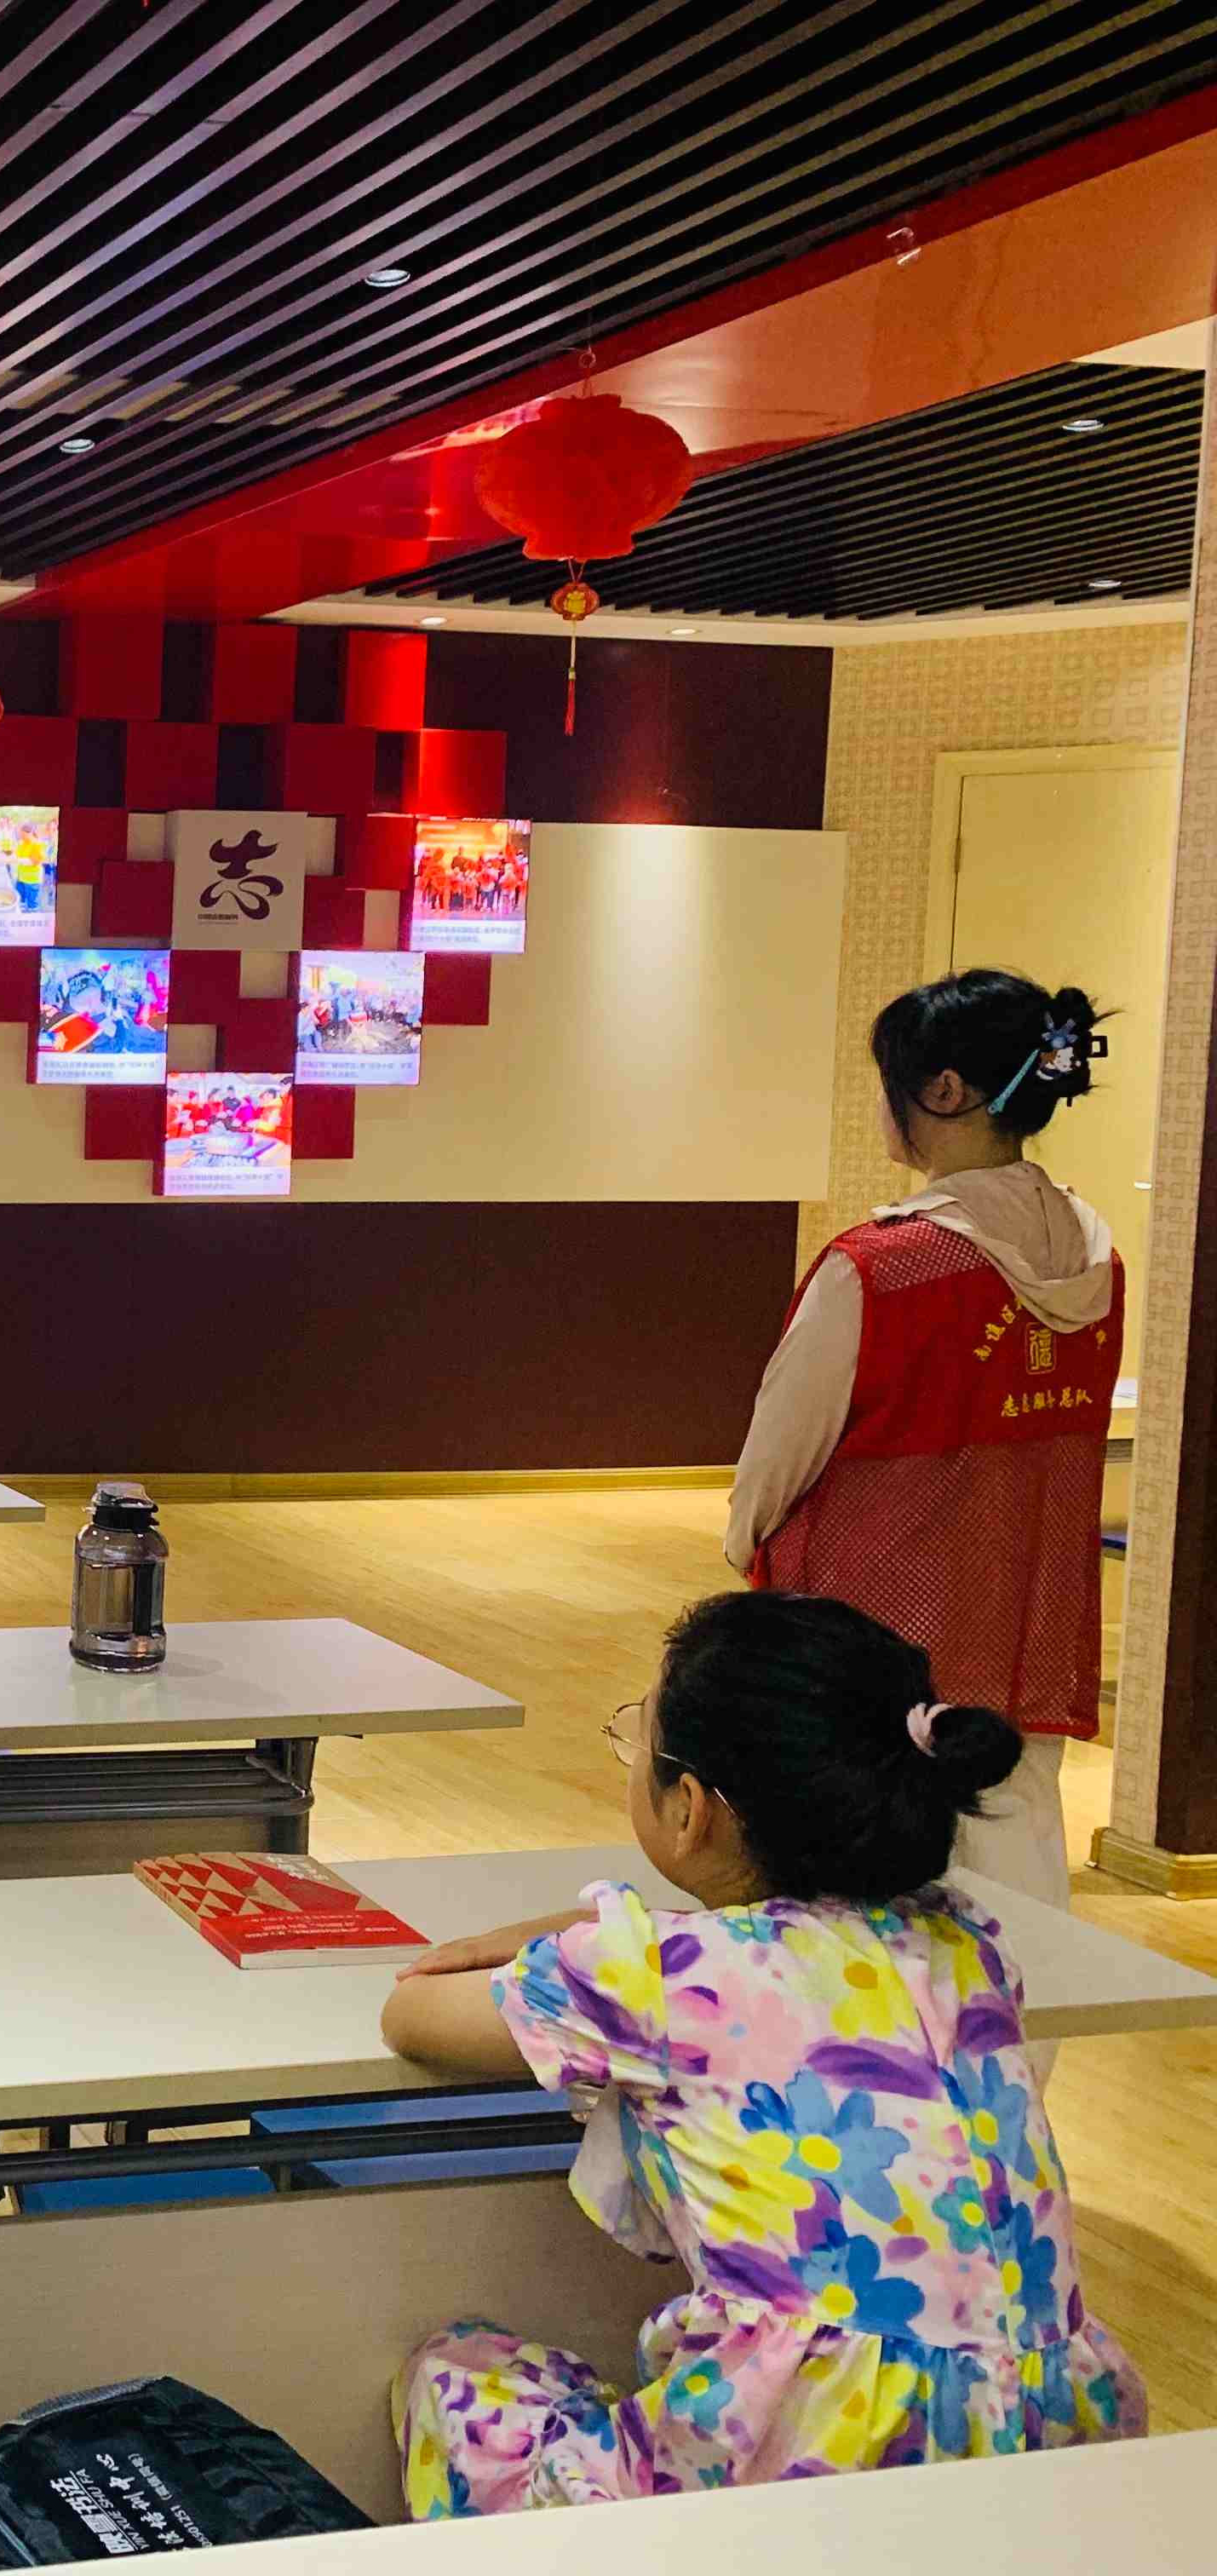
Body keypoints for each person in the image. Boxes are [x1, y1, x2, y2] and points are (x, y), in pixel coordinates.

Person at [382, 1591, 1143, 2515]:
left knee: (453, 2373)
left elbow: (413, 2016)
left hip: (796, 2468)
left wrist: (577, 1937)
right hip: (1047, 2448)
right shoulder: (968, 1943)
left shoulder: (661, 1974)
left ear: (690, 1810)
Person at [726, 970, 1120, 1916]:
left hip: (874, 1622)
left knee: (869, 1871)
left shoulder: (880, 1268)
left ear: (944, 1092)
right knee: (1014, 1838)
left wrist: (745, 1547)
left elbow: (779, 1456)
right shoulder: (1097, 1259)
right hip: (1024, 1611)